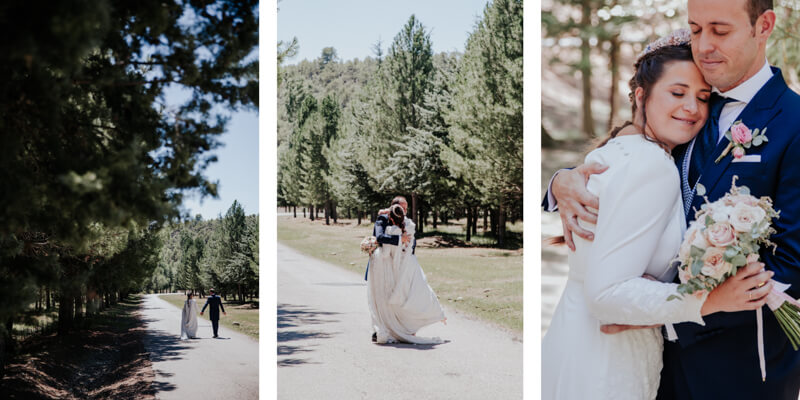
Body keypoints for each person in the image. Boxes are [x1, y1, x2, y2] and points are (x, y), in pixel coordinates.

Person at [545, 1, 800, 398]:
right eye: (696, 29)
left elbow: (790, 266)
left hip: (740, 371)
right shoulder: (690, 108)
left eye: (720, 30)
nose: (704, 45)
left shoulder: (794, 123)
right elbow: (625, 164)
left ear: (763, 25)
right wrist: (560, 182)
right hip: (652, 365)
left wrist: (666, 313)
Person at [367, 203, 445, 344]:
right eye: (402, 207)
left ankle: (393, 328)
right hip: (386, 269)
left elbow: (386, 250)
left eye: (406, 207)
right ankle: (380, 328)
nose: (405, 210)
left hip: (390, 268)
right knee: (380, 298)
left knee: (383, 299)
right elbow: (379, 236)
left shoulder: (400, 226)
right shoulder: (390, 222)